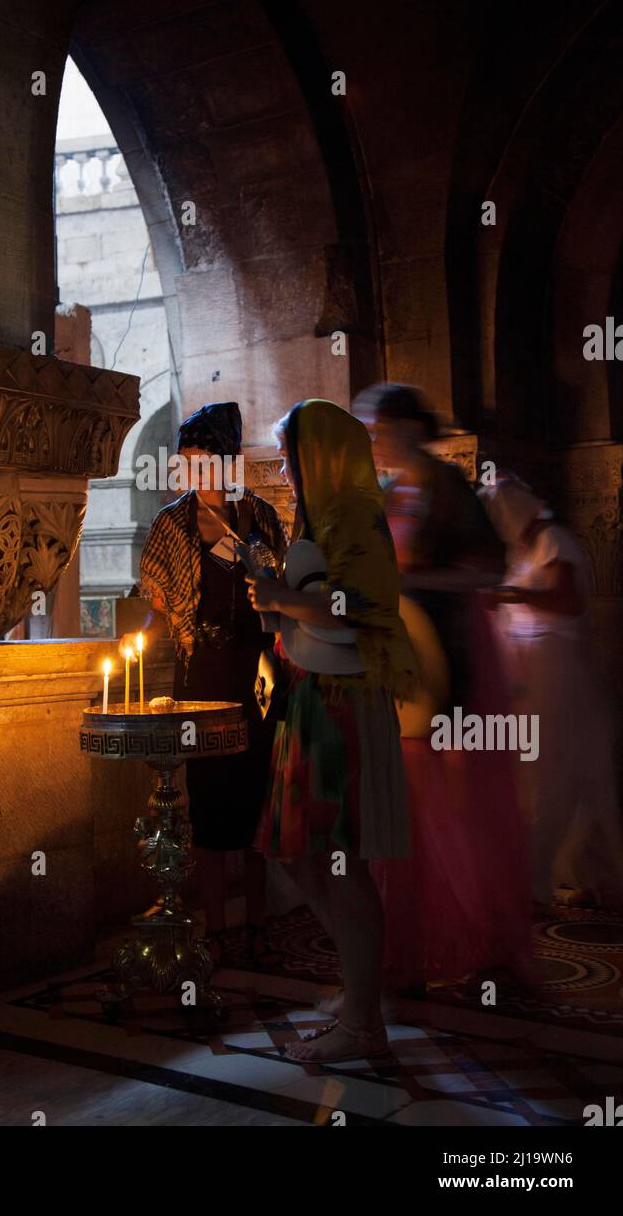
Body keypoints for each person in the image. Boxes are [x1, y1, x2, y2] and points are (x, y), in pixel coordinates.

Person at [246, 399, 415, 1063]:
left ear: (319, 454)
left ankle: (364, 1022)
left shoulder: (351, 514)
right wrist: (275, 616)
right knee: (302, 854)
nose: (284, 470)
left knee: (339, 860)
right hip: (311, 696)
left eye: (290, 455)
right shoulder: (317, 517)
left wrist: (281, 599)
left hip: (342, 702)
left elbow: (357, 609)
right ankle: (359, 995)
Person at [351, 383, 532, 991]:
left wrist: (421, 578)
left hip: (448, 658)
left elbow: (490, 569)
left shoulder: (447, 487)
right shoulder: (386, 491)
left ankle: (479, 940)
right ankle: (410, 949)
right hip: (402, 660)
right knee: (407, 812)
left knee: (455, 810)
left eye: (378, 428)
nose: (373, 440)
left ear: (406, 426)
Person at [136, 402, 288, 967]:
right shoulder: (171, 524)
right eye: (186, 464)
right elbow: (153, 605)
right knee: (210, 802)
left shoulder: (262, 518)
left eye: (203, 463)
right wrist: (134, 647)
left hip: (259, 674)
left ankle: (259, 921)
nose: (192, 475)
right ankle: (217, 926)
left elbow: (285, 583)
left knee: (257, 800)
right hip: (202, 673)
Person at [481, 475, 623, 907]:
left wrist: (510, 595)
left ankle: (539, 882)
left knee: (558, 779)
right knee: (556, 778)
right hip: (537, 676)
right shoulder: (524, 551)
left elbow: (568, 602)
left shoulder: (554, 540)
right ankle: (590, 876)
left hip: (557, 676)